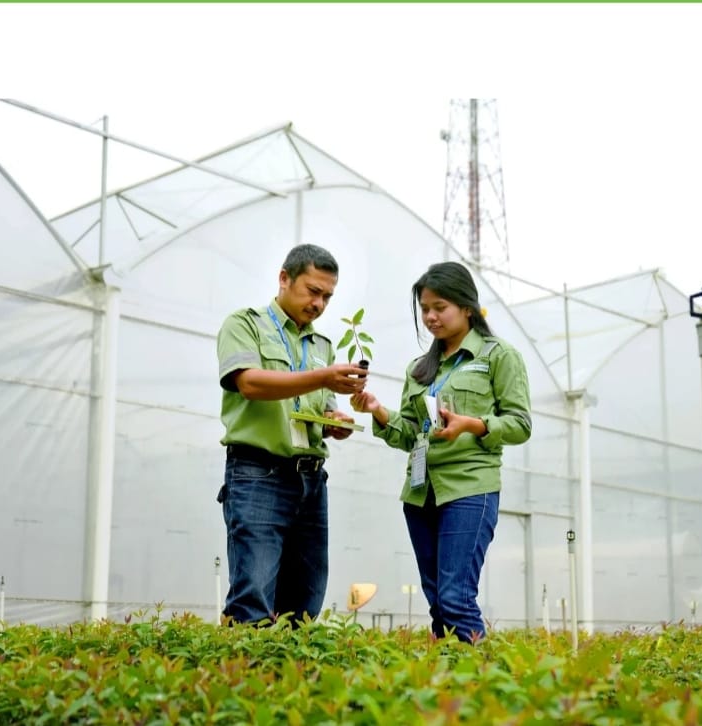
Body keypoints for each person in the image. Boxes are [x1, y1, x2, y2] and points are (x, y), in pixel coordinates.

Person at [350, 261, 531, 643]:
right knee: (437, 601)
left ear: (467, 306)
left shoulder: (498, 356)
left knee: (456, 597)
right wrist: (378, 411)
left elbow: (520, 424)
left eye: (440, 307)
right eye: (424, 309)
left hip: (469, 486)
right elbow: (411, 435)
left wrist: (473, 424)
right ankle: (446, 684)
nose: (430, 317)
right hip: (421, 492)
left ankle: (478, 687)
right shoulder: (419, 369)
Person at [216, 243, 369, 625]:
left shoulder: (322, 346)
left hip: (311, 480)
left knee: (305, 599)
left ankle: (290, 680)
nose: (318, 303)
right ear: (284, 278)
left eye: (327, 297)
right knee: (253, 595)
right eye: (312, 291)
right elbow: (249, 383)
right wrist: (321, 376)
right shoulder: (245, 324)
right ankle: (245, 678)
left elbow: (319, 409)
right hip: (258, 474)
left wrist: (335, 423)